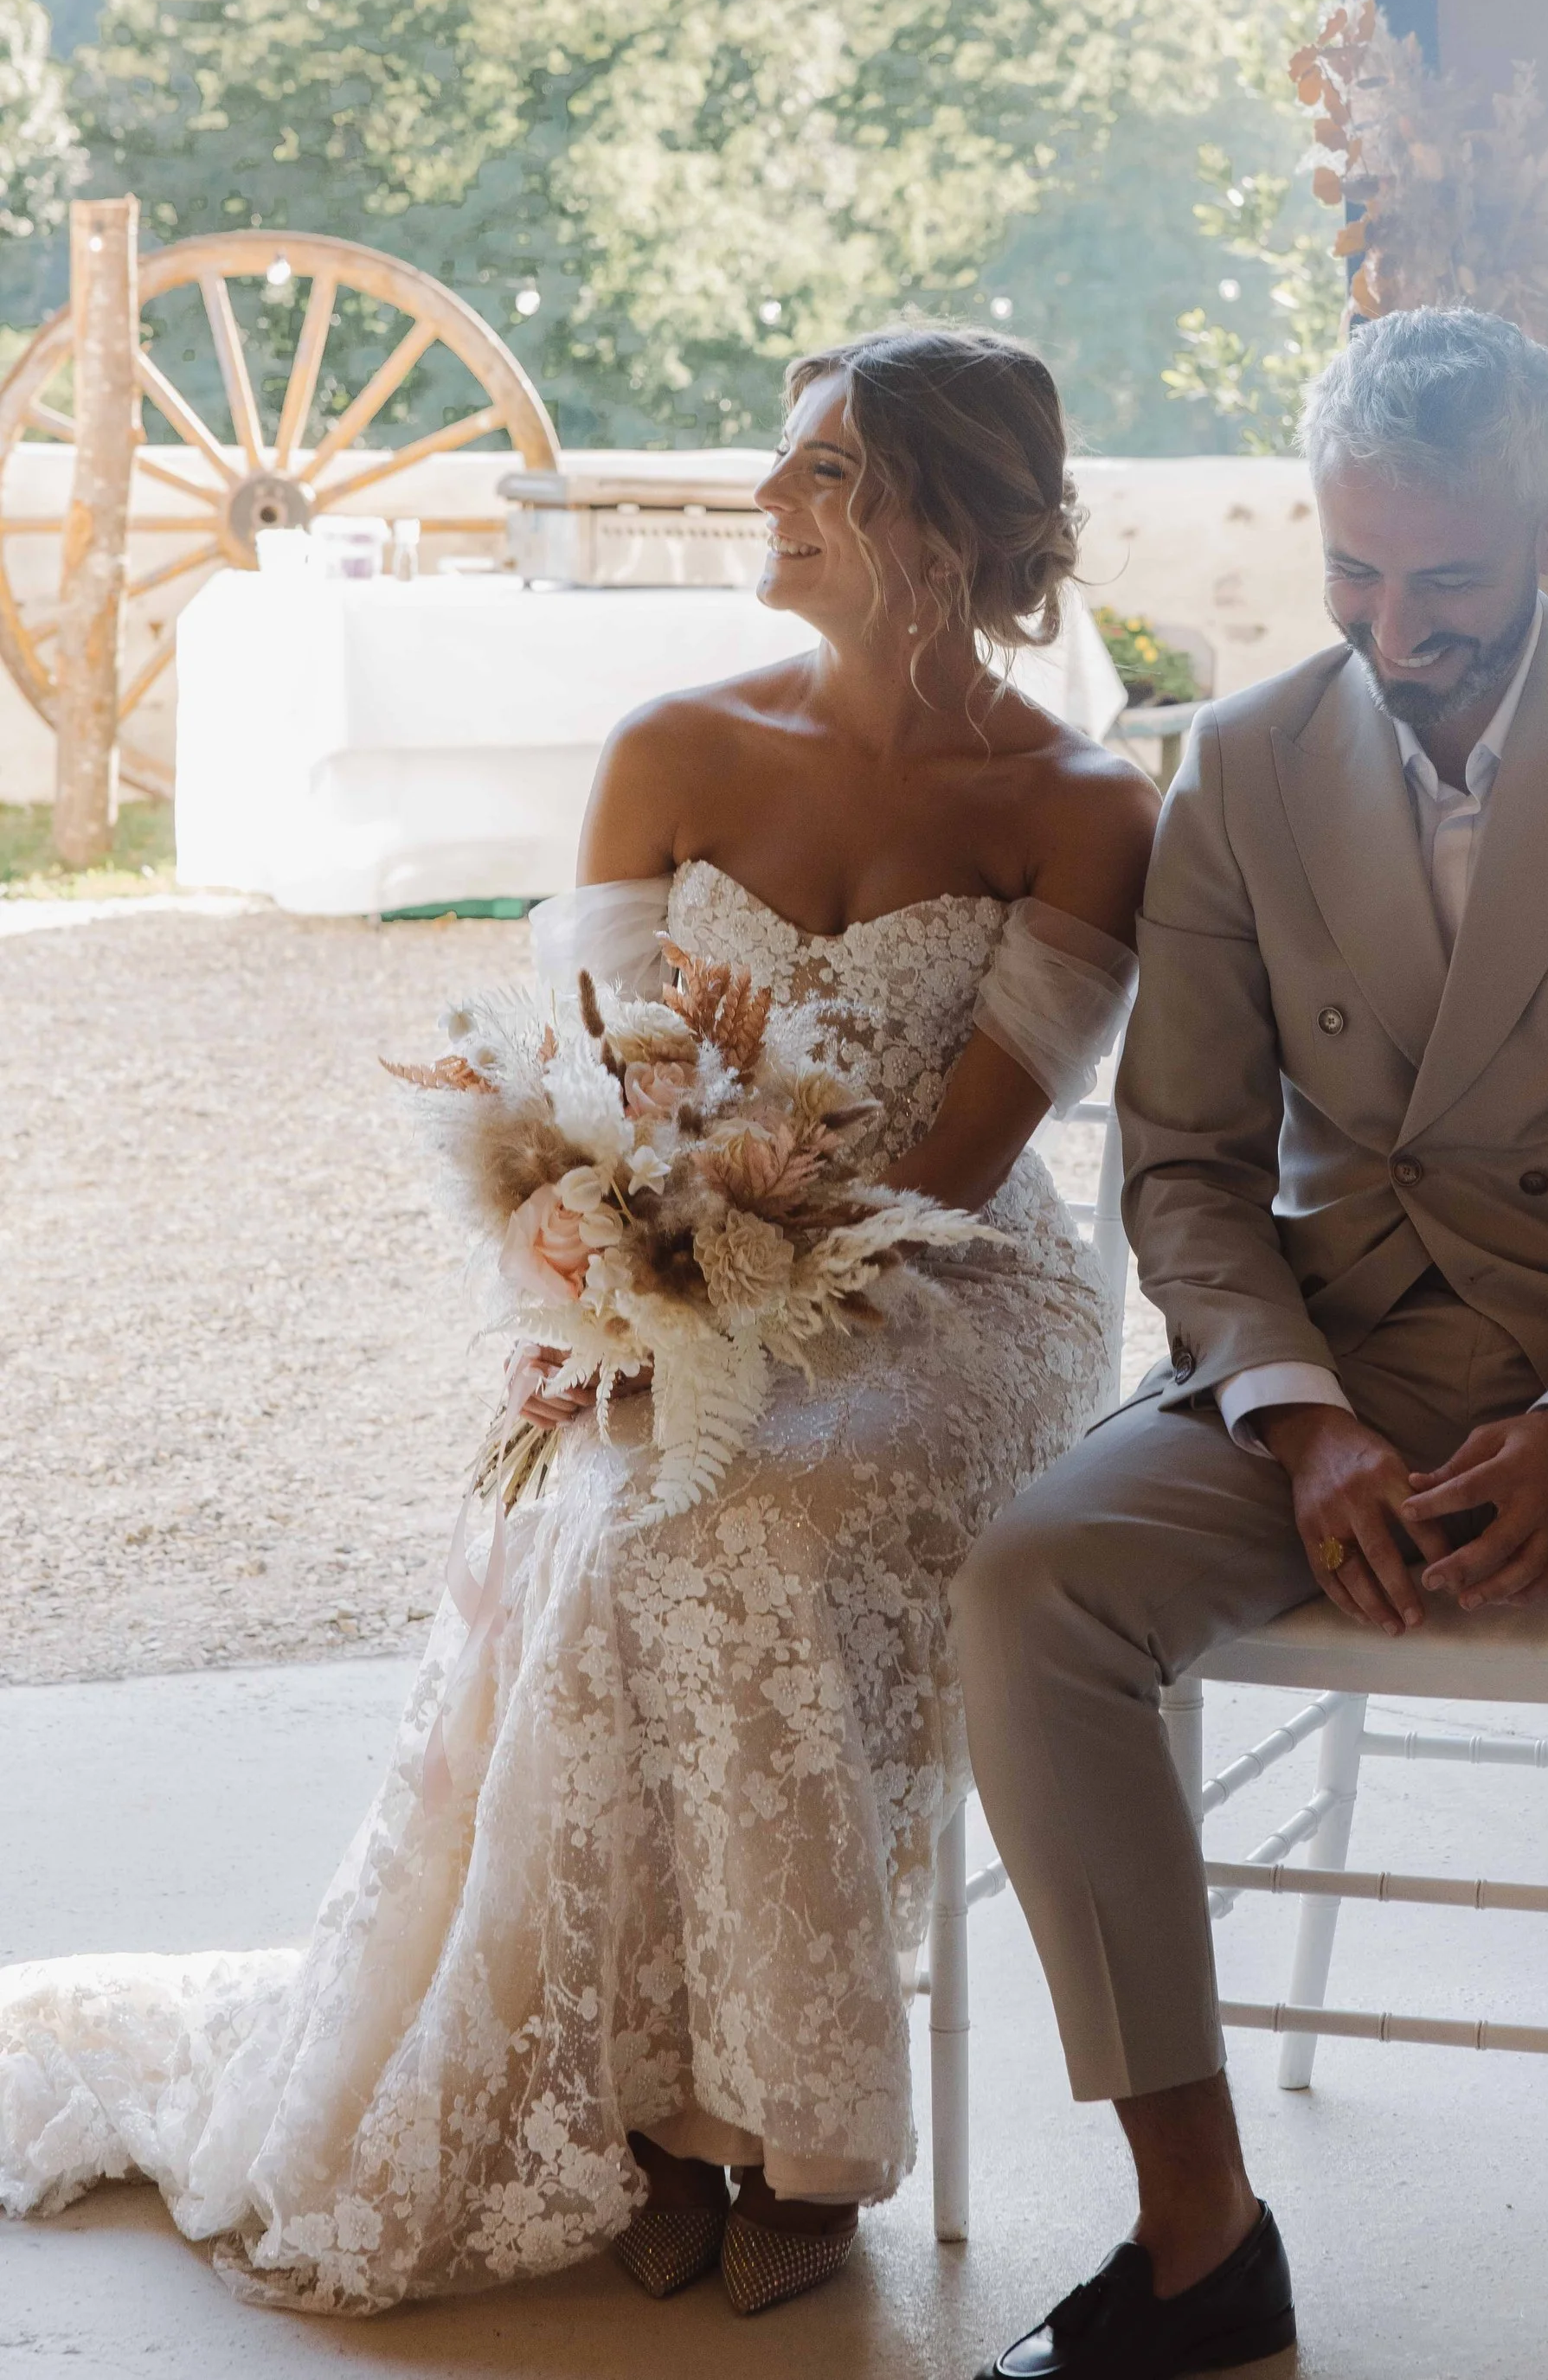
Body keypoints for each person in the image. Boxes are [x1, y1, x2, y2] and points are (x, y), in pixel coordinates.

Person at [0, 326, 1156, 2322]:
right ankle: (658, 2102)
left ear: (937, 521)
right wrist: (637, 1265)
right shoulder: (677, 747)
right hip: (688, 1255)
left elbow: (963, 1165)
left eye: (818, 474)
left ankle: (803, 2135)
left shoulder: (1076, 799)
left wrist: (766, 1266)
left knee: (761, 1521)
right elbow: (600, 1096)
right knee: (619, 1523)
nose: (765, 502)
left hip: (952, 1289)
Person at [957, 306, 1548, 2380]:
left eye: (1451, 581)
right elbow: (1191, 1166)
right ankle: (1198, 2244)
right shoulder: (1233, 758)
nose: (1398, 628)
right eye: (1354, 574)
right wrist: (1295, 1420)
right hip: (1331, 1357)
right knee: (1033, 1584)